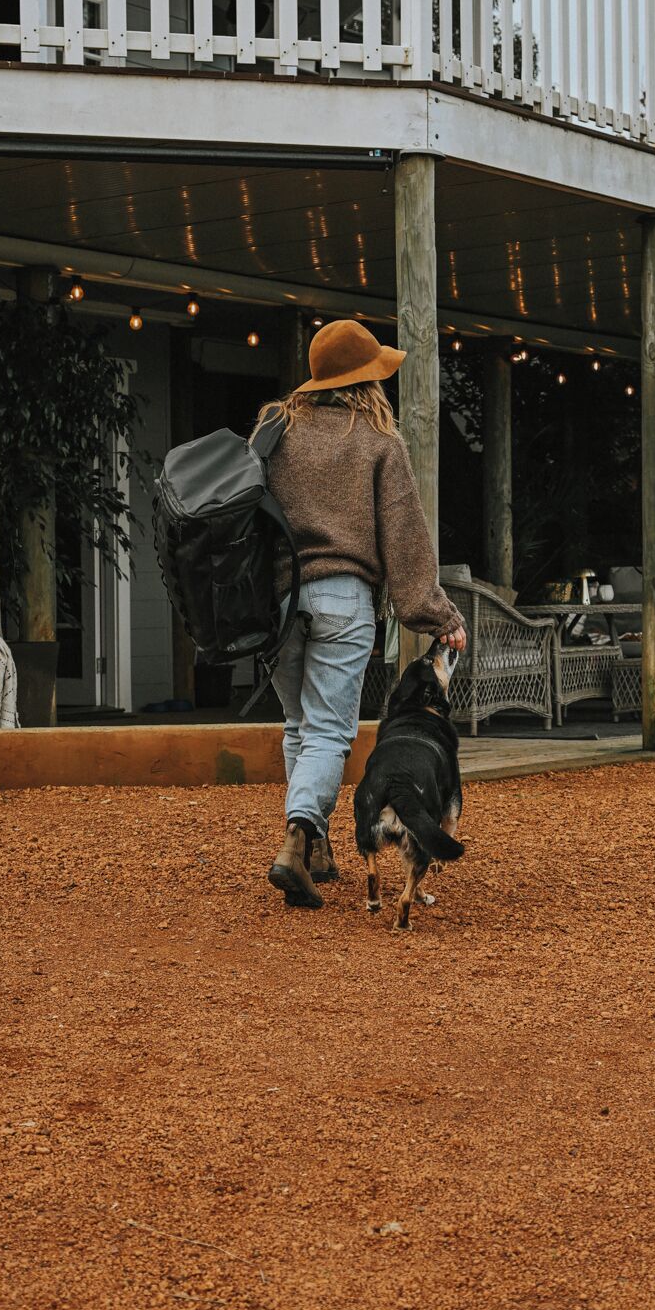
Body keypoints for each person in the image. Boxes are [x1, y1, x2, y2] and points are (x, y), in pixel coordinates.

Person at [258, 318, 467, 910]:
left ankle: (318, 848)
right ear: (367, 379)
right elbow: (404, 539)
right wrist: (435, 614)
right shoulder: (377, 439)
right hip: (343, 600)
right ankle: (297, 837)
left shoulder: (275, 429)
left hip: (278, 602)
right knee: (329, 730)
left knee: (300, 726)